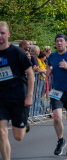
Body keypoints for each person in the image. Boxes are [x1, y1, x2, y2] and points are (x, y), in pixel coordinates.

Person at [0, 21, 34, 160]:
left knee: (18, 137)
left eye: (2, 33)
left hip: (18, 97)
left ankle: (24, 122)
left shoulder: (17, 52)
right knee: (1, 133)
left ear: (8, 34)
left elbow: (31, 74)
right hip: (1, 98)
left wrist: (29, 96)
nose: (0, 36)